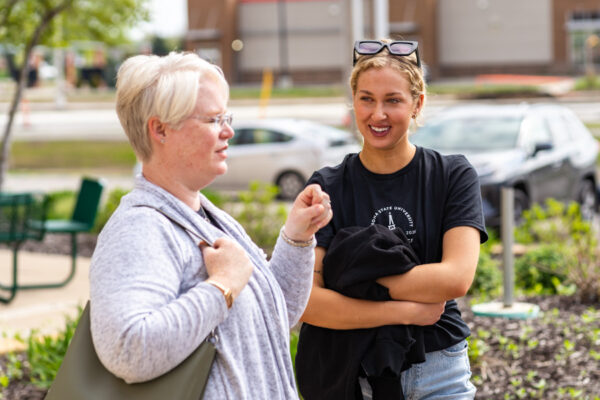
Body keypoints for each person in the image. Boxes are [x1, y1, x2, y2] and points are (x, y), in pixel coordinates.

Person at [89, 51, 332, 399]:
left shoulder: (208, 216)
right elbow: (128, 350)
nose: (229, 131)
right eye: (214, 119)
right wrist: (221, 287)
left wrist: (296, 237)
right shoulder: (140, 228)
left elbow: (275, 316)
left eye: (226, 116)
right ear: (160, 129)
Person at [296, 39, 488, 399]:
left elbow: (456, 278)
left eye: (393, 100)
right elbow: (308, 302)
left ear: (418, 104)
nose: (377, 114)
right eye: (366, 99)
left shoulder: (452, 176)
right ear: (353, 102)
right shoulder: (328, 186)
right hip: (358, 375)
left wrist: (352, 278)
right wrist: (409, 311)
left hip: (441, 370)